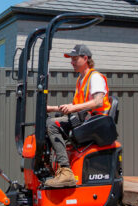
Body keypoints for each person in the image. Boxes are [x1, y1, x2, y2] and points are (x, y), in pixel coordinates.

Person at [44, 44, 112, 188]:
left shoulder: (95, 77)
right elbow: (76, 105)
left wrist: (73, 108)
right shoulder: (81, 79)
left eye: (75, 59)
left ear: (85, 59)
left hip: (96, 122)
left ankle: (66, 171)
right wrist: (52, 108)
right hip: (86, 119)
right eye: (71, 59)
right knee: (51, 120)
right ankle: (54, 167)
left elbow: (98, 102)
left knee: (52, 125)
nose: (72, 62)